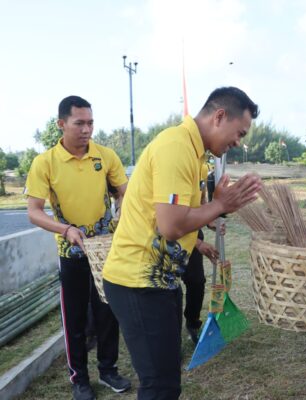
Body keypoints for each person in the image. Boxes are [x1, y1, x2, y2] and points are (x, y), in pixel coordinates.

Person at [102, 87, 262, 399]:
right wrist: (218, 206)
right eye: (239, 132)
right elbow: (171, 224)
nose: (238, 142)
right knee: (159, 386)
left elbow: (182, 213)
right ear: (219, 117)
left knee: (166, 380)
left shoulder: (196, 153)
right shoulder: (176, 146)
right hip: (138, 283)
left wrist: (215, 212)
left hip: (162, 281)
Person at [25, 96, 131, 400]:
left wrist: (122, 208)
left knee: (107, 312)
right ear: (62, 124)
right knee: (73, 319)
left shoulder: (105, 156)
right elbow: (34, 211)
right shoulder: (45, 163)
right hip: (71, 253)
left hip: (104, 252)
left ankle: (108, 370)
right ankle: (79, 379)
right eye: (79, 123)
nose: (87, 130)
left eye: (91, 123)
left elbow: (125, 192)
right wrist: (65, 229)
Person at [181, 163, 220, 343]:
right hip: (167, 237)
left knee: (196, 281)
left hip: (193, 231)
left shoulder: (202, 167)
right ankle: (169, 338)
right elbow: (168, 217)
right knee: (167, 290)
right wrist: (197, 243)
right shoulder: (176, 165)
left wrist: (209, 219)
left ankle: (192, 323)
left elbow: (201, 200)